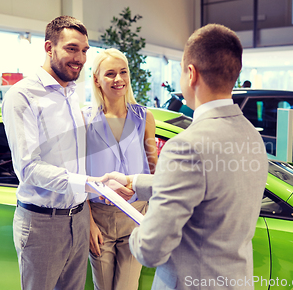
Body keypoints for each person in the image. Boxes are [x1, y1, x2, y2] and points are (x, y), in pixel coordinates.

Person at [107, 24, 268, 290]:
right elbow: (209, 183)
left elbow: (150, 250)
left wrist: (137, 230)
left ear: (191, 74)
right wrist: (134, 182)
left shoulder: (187, 146)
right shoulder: (251, 135)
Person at [2, 16, 104, 290]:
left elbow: (76, 157)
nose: (80, 58)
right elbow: (28, 168)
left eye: (84, 51)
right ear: (49, 48)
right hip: (42, 224)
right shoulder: (22, 96)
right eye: (72, 48)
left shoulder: (71, 92)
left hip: (79, 218)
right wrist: (86, 183)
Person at [83, 48, 158, 290]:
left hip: (136, 215)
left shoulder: (144, 117)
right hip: (99, 216)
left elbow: (155, 172)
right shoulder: (84, 120)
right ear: (96, 79)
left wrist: (152, 216)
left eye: (123, 72)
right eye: (110, 74)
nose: (118, 79)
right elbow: (80, 176)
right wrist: (89, 223)